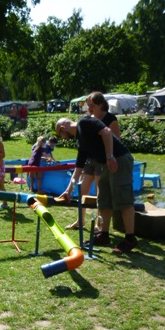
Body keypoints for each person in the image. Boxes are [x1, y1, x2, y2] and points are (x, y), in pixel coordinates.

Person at [55, 116, 138, 254]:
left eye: (61, 135)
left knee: (123, 199)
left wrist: (110, 156)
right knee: (104, 199)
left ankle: (130, 239)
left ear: (63, 128)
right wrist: (68, 191)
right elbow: (78, 169)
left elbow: (106, 131)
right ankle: (103, 235)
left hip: (119, 159)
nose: (63, 138)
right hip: (106, 164)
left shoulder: (85, 122)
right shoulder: (81, 142)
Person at [66, 92, 121, 231]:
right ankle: (80, 220)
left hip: (102, 160)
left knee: (99, 193)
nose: (89, 108)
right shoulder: (88, 119)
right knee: (82, 190)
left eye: (91, 105)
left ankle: (99, 224)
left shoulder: (110, 118)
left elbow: (116, 141)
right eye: (88, 105)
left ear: (100, 104)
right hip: (90, 160)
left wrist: (109, 158)